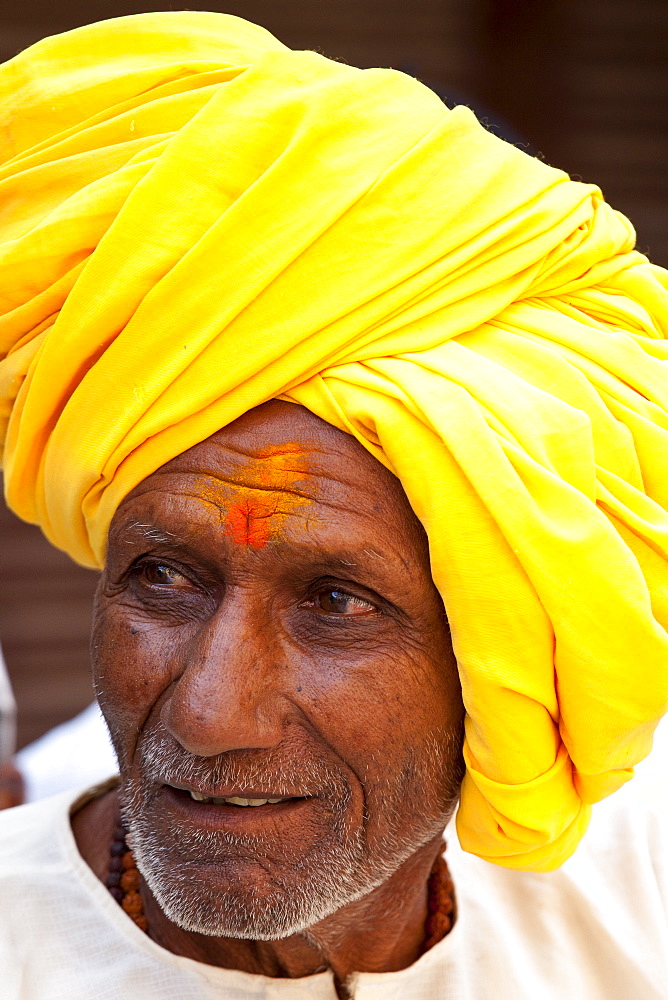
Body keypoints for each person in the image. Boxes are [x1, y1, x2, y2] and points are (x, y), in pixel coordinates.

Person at [1, 11, 667, 999]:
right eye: (162, 577)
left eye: (337, 600)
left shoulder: (636, 893)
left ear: (504, 655)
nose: (211, 711)